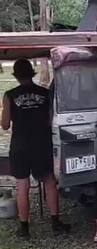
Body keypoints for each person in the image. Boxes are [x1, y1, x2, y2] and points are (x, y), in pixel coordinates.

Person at [0, 59, 70, 239]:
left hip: (20, 145)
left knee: (22, 185)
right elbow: (49, 120)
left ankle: (24, 228)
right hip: (41, 144)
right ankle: (55, 222)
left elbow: (6, 125)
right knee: (49, 181)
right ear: (32, 73)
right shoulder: (45, 94)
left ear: (16, 75)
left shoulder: (9, 95)